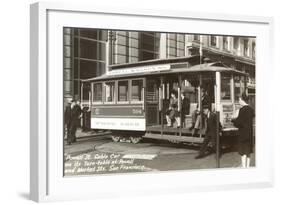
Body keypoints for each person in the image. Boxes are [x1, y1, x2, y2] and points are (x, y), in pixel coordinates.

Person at [232, 93, 255, 168]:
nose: (238, 101)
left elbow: (239, 123)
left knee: (243, 153)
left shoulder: (242, 110)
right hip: (250, 134)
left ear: (242, 100)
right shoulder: (251, 109)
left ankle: (244, 167)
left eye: (239, 99)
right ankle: (248, 167)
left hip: (243, 134)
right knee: (248, 152)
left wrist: (233, 119)